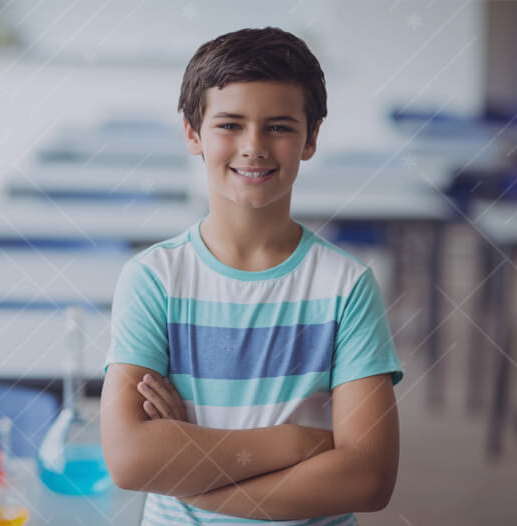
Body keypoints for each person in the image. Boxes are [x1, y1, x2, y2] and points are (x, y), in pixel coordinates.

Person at [101, 26, 403, 526]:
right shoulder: (153, 279)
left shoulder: (346, 287)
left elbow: (368, 479)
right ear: (193, 133)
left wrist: (189, 472)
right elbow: (131, 459)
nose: (254, 146)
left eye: (280, 127)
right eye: (230, 125)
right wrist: (295, 442)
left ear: (312, 138)